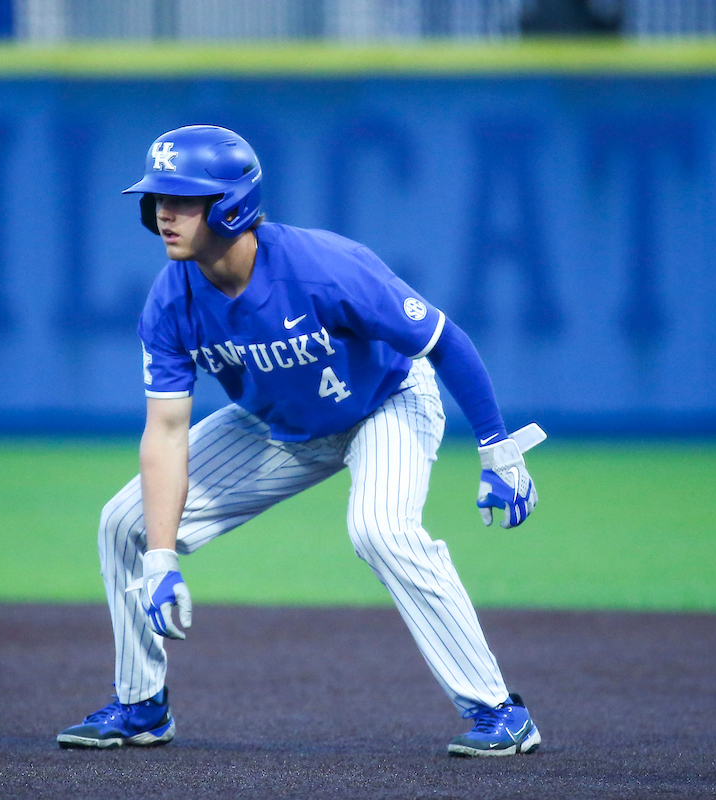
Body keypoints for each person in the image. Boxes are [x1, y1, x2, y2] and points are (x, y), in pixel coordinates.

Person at [56, 125, 541, 757]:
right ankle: (141, 704)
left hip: (385, 402)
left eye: (181, 199)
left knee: (380, 530)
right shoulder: (171, 303)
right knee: (125, 524)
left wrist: (496, 448)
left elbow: (443, 340)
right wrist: (162, 559)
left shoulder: (323, 267)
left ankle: (498, 710)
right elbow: (166, 431)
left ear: (231, 207)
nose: (163, 213)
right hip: (278, 425)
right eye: (157, 199)